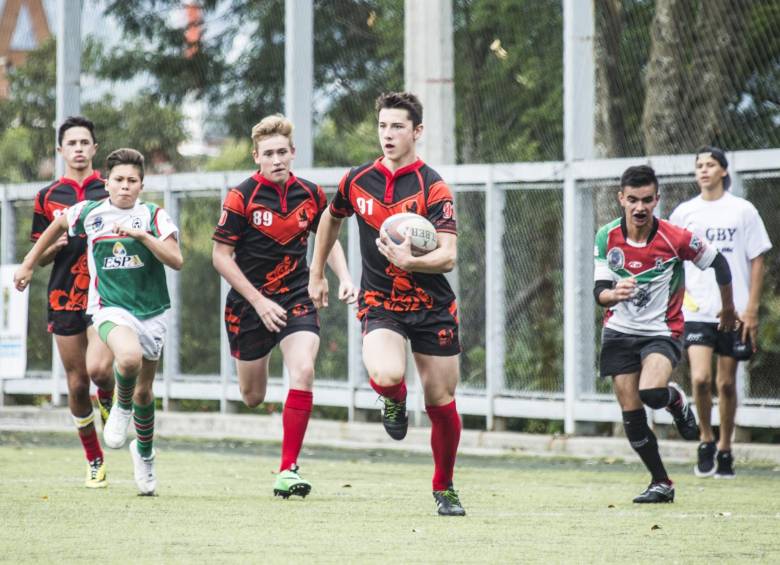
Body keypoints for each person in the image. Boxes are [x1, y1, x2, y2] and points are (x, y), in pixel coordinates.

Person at [308, 92, 465, 517]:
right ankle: (393, 398)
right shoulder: (358, 180)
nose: (388, 134)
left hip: (432, 307)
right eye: (382, 126)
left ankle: (444, 487)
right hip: (381, 303)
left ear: (417, 131)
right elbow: (330, 217)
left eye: (397, 126)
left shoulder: (433, 186)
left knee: (440, 399)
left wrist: (413, 261)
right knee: (386, 372)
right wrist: (317, 272)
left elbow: (448, 254)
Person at [15, 148, 183, 496]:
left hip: (151, 312)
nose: (125, 186)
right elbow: (57, 225)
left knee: (145, 391)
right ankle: (119, 409)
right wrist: (29, 263)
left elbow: (176, 260)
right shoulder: (90, 212)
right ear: (106, 183)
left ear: (141, 184)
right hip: (109, 308)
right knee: (128, 358)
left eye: (132, 181)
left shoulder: (154, 215)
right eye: (119, 180)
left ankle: (145, 454)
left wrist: (143, 237)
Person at [212, 115, 357, 499]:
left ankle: (288, 469)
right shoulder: (240, 196)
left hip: (295, 296)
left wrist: (339, 276)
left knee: (304, 369)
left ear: (293, 153)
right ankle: (261, 359)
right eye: (268, 153)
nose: (277, 159)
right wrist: (258, 302)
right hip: (249, 304)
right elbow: (221, 257)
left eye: (283, 152)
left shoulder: (310, 193)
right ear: (256, 156)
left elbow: (329, 235)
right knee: (253, 396)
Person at [593, 165, 737, 503]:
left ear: (657, 199)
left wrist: (728, 308)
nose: (640, 208)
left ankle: (674, 399)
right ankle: (661, 482)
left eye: (646, 200)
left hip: (662, 330)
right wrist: (614, 293)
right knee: (631, 413)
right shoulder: (607, 236)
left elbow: (720, 264)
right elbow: (599, 291)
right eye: (632, 200)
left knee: (651, 392)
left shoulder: (676, 238)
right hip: (618, 331)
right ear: (621, 199)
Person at [669, 147, 772, 479]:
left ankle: (726, 448)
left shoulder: (742, 211)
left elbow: (758, 259)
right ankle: (706, 439)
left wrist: (751, 308)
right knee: (700, 380)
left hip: (734, 311)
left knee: (726, 384)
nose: (703, 170)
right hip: (697, 308)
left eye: (710, 165)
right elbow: (671, 257)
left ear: (723, 171)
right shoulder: (685, 213)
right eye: (698, 165)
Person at [29, 116, 114, 488]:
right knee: (78, 383)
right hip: (64, 294)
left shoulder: (110, 189)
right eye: (72, 143)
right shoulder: (48, 197)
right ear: (60, 150)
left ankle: (112, 402)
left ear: (95, 148)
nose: (79, 148)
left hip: (105, 293)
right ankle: (94, 459)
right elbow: (39, 252)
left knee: (99, 371)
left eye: (85, 142)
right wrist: (51, 248)